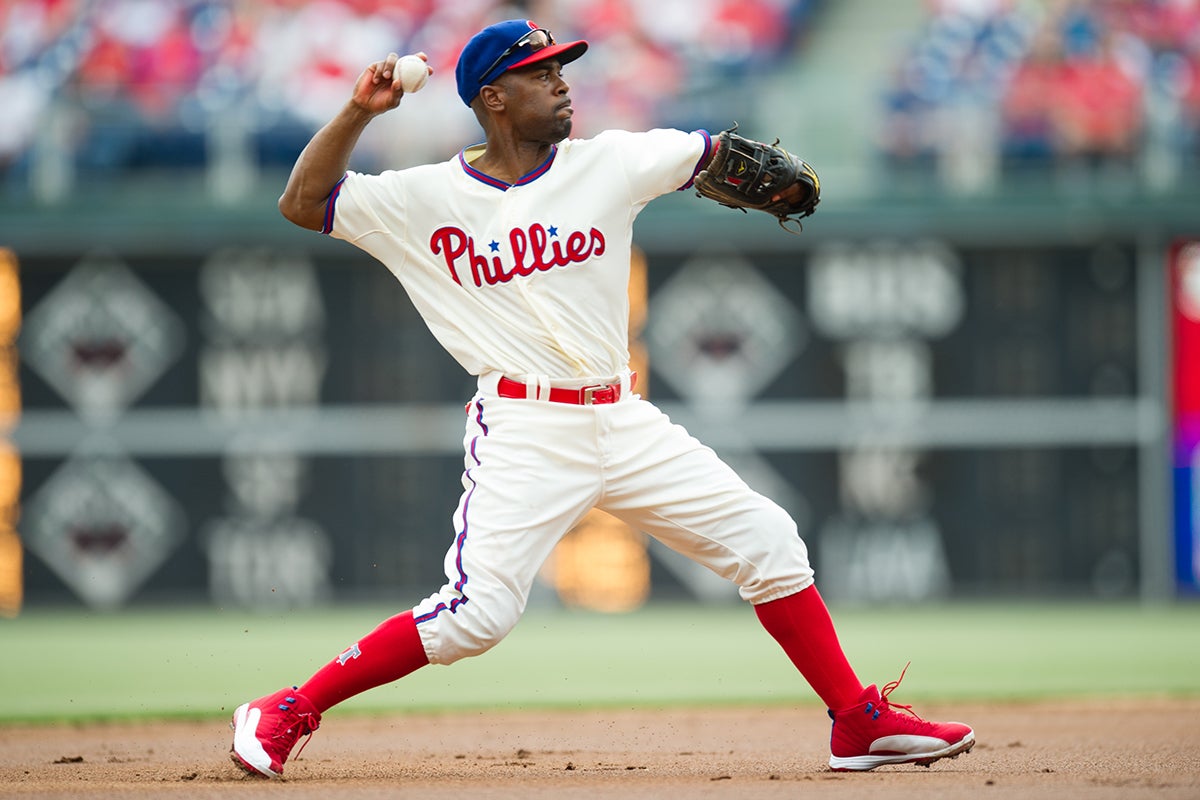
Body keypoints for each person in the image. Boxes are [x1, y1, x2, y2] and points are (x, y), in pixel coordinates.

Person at [228, 18, 975, 778]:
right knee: (477, 616)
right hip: (524, 427)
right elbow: (302, 201)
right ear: (494, 96)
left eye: (563, 69)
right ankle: (288, 707)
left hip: (622, 418)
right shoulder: (423, 199)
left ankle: (857, 721)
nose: (561, 84)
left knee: (770, 542)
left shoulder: (611, 162)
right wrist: (360, 112)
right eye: (541, 73)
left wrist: (731, 165)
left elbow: (712, 154)